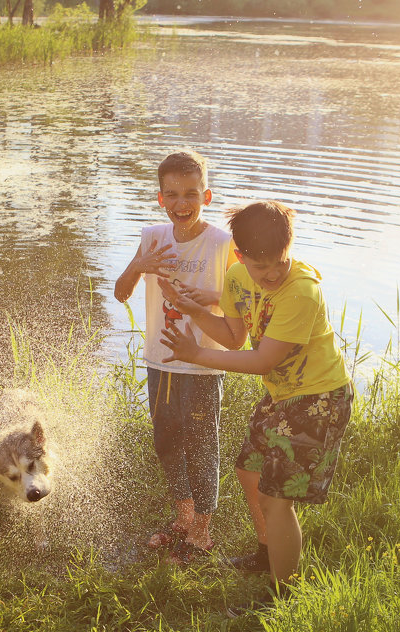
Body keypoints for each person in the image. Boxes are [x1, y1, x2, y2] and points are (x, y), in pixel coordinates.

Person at [160, 201, 354, 598]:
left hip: (319, 398)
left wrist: (197, 355)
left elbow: (263, 359)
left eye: (278, 263)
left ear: (289, 248)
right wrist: (190, 307)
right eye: (259, 266)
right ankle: (268, 553)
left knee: (276, 498)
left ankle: (281, 593)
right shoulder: (236, 277)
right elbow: (234, 337)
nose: (270, 275)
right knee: (249, 471)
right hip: (282, 396)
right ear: (241, 256)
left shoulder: (301, 290)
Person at [113, 150, 236, 564]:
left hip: (203, 362)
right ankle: (182, 518)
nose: (182, 203)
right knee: (166, 440)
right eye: (172, 195)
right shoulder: (152, 238)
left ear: (207, 196)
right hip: (159, 361)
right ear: (160, 198)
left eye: (191, 194)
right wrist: (140, 265)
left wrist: (208, 298)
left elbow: (248, 299)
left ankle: (202, 531)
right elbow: (121, 291)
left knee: (202, 443)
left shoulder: (222, 243)